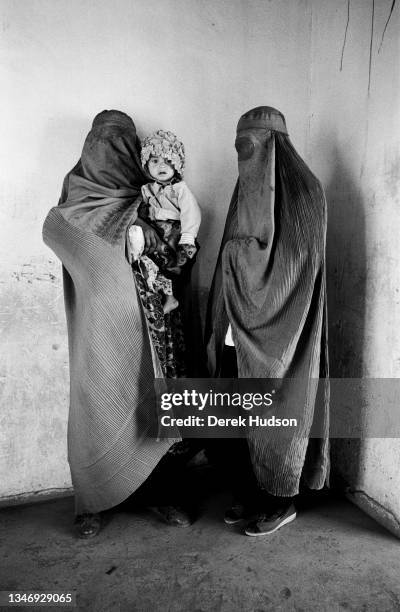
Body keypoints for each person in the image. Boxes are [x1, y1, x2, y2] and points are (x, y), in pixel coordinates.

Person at [42, 110, 196, 538]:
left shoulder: (148, 200)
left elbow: (173, 254)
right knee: (97, 408)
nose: (111, 153)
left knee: (155, 405)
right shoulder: (68, 212)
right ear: (87, 148)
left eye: (122, 144)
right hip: (97, 334)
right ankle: (92, 503)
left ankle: (161, 495)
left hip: (151, 333)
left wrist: (153, 238)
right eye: (102, 143)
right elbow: (60, 240)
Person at [205, 106, 330, 537]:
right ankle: (250, 492)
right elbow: (233, 250)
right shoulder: (245, 190)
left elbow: (295, 266)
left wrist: (239, 254)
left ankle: (280, 502)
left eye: (252, 146)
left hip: (282, 334)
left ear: (275, 144)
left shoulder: (306, 195)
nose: (245, 156)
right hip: (233, 328)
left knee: (277, 418)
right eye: (239, 147)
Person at [128, 130, 201, 314]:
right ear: (146, 165)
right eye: (155, 161)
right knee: (153, 263)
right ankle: (166, 296)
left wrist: (188, 237)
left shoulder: (179, 189)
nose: (162, 165)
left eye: (168, 161)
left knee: (172, 265)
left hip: (173, 233)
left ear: (177, 165)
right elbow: (139, 209)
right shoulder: (146, 189)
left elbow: (191, 213)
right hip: (156, 231)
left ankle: (171, 298)